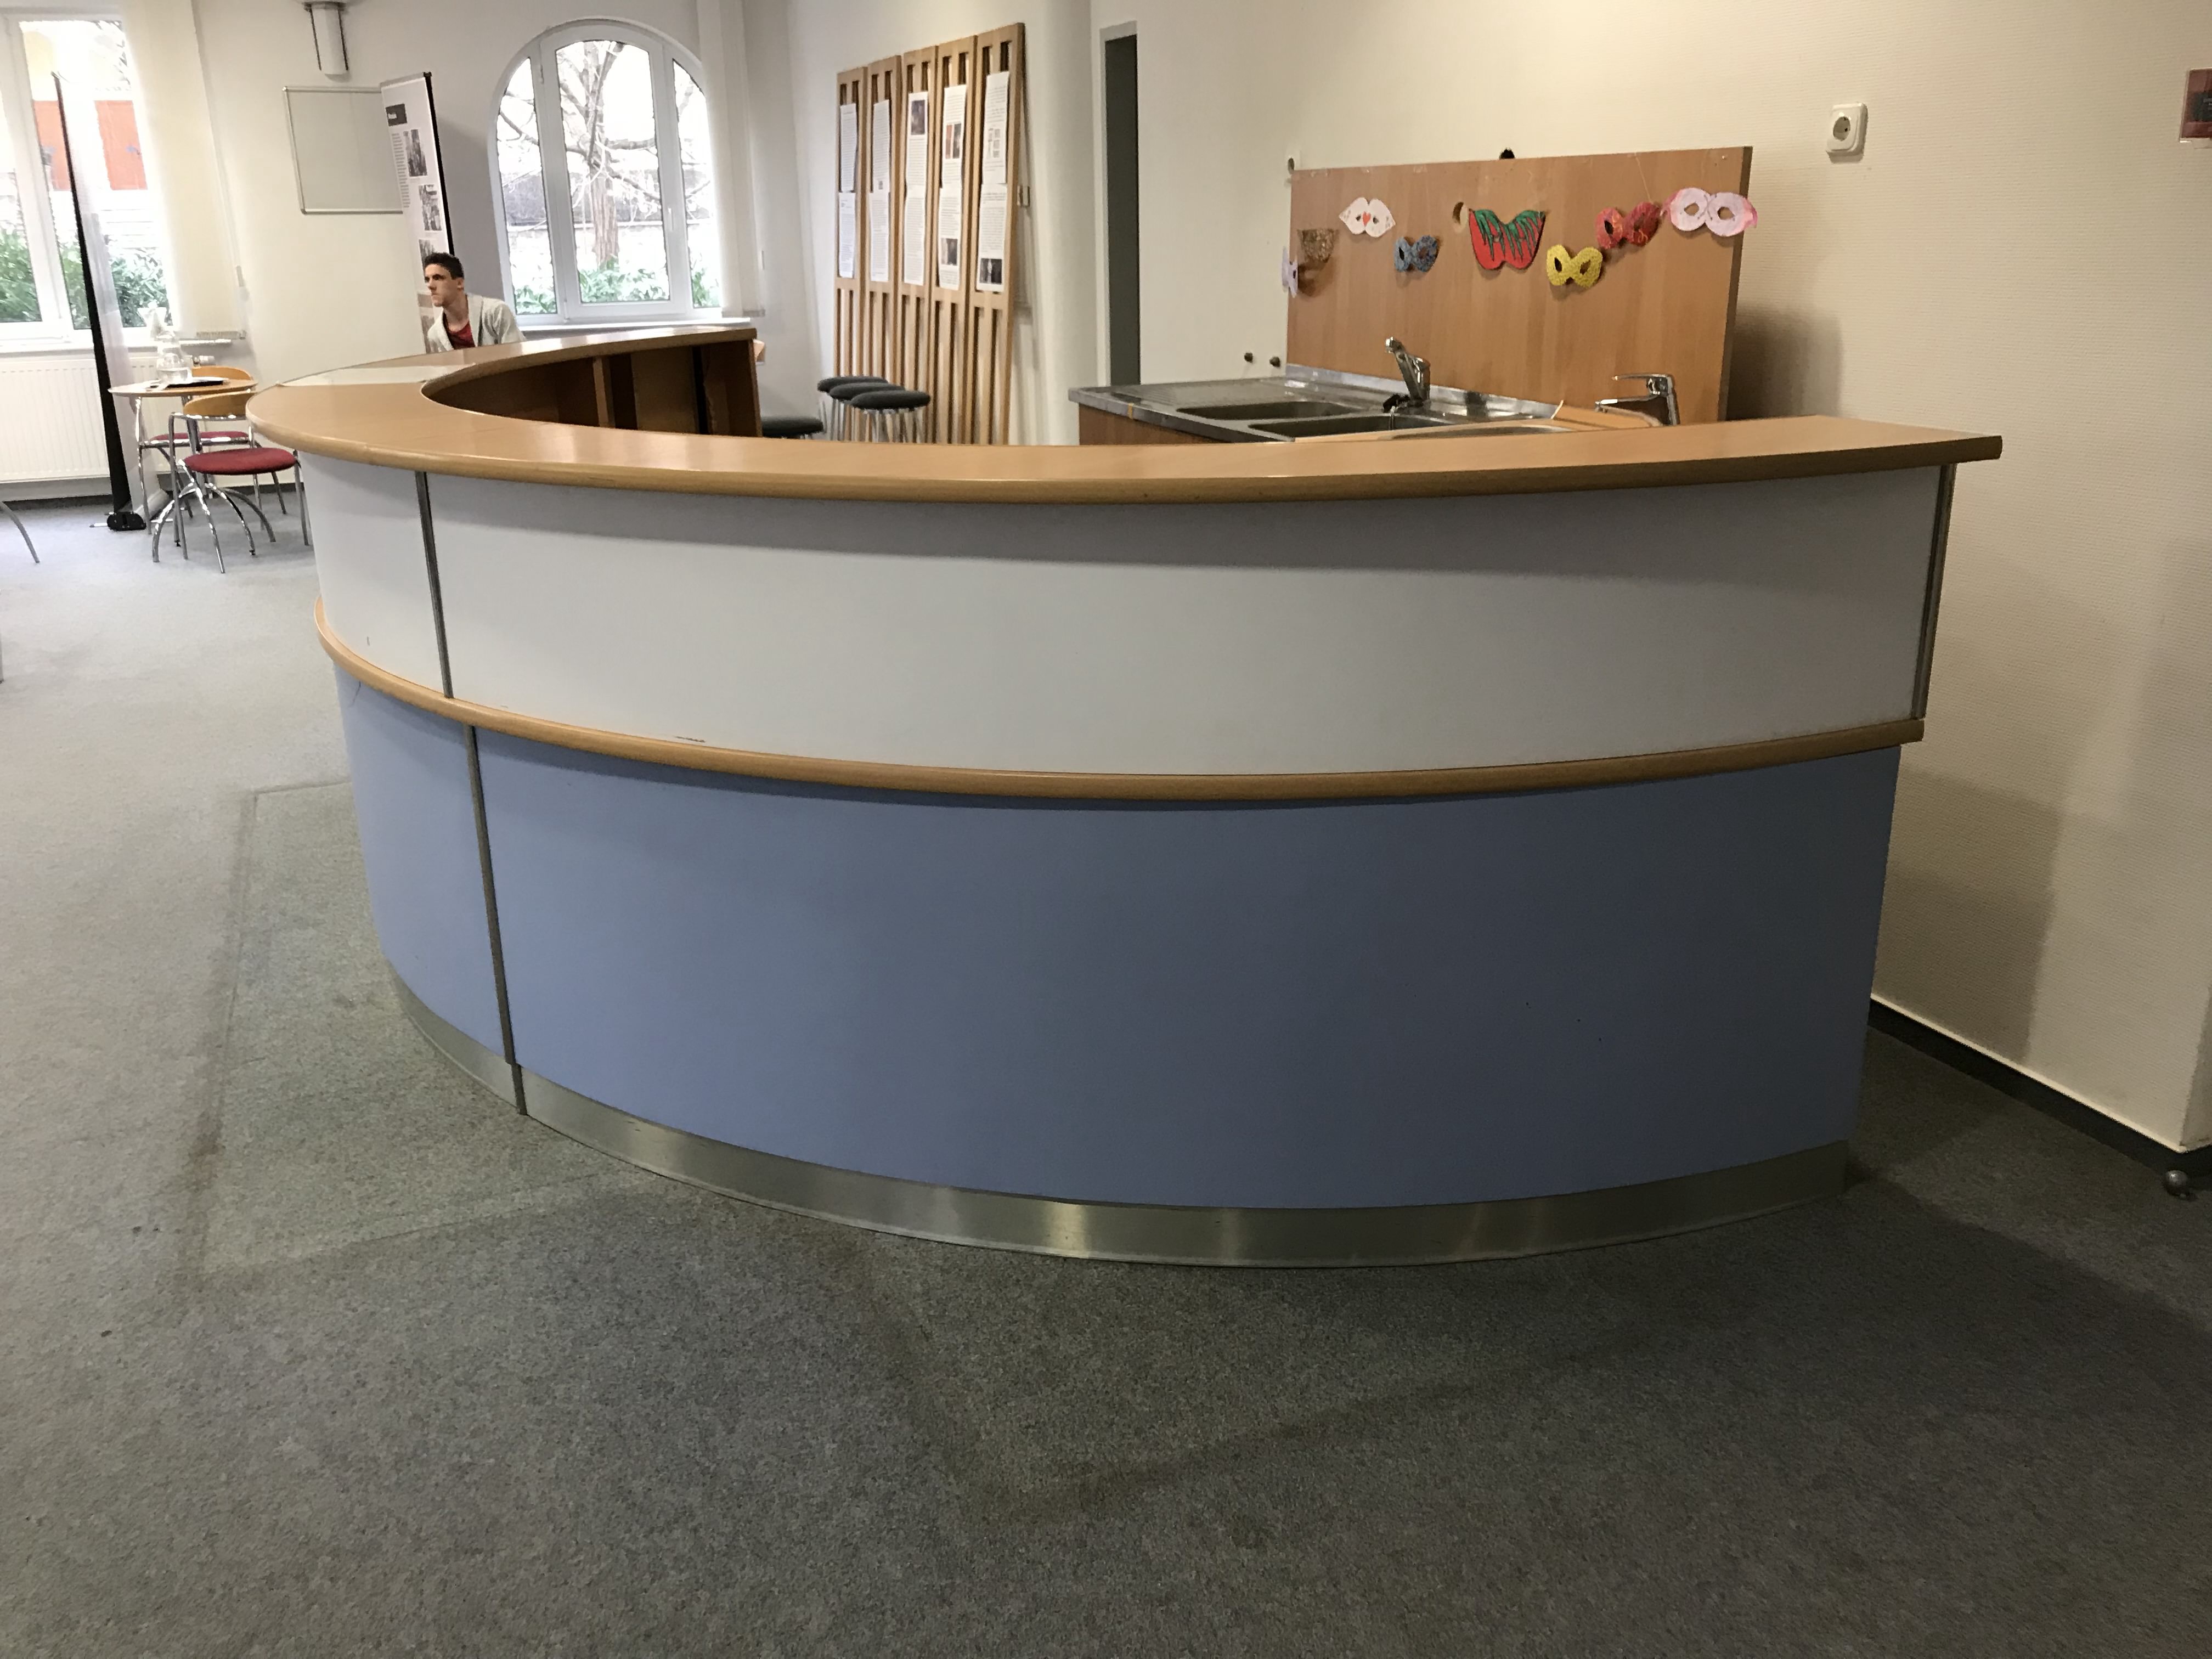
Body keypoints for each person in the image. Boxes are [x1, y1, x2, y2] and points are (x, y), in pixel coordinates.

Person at [422, 252, 519, 352]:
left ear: (459, 283)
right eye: (427, 280)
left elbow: (518, 356)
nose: (430, 285)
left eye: (437, 278)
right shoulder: (434, 335)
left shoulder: (496, 312)